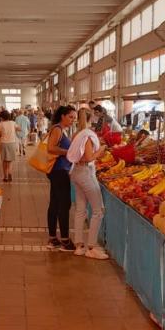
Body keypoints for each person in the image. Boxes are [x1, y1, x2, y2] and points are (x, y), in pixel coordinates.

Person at [68, 106, 109, 260]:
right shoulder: (87, 136)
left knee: (80, 209)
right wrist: (102, 149)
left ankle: (79, 246)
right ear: (92, 119)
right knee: (98, 210)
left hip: (76, 173)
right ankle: (92, 247)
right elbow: (89, 157)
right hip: (86, 173)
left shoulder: (76, 134)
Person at [46, 105, 77, 252]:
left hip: (57, 171)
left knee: (55, 203)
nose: (73, 120)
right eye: (71, 117)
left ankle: (53, 238)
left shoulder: (60, 129)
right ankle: (65, 239)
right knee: (64, 205)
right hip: (59, 171)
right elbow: (51, 148)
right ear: (63, 116)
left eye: (74, 117)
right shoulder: (58, 129)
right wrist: (69, 152)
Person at [0, 109, 18, 182]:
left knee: (4, 161)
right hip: (12, 143)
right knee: (10, 160)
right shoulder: (13, 123)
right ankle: (10, 173)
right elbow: (19, 129)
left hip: (4, 143)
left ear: (2, 117)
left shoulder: (0, 124)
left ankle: (5, 177)